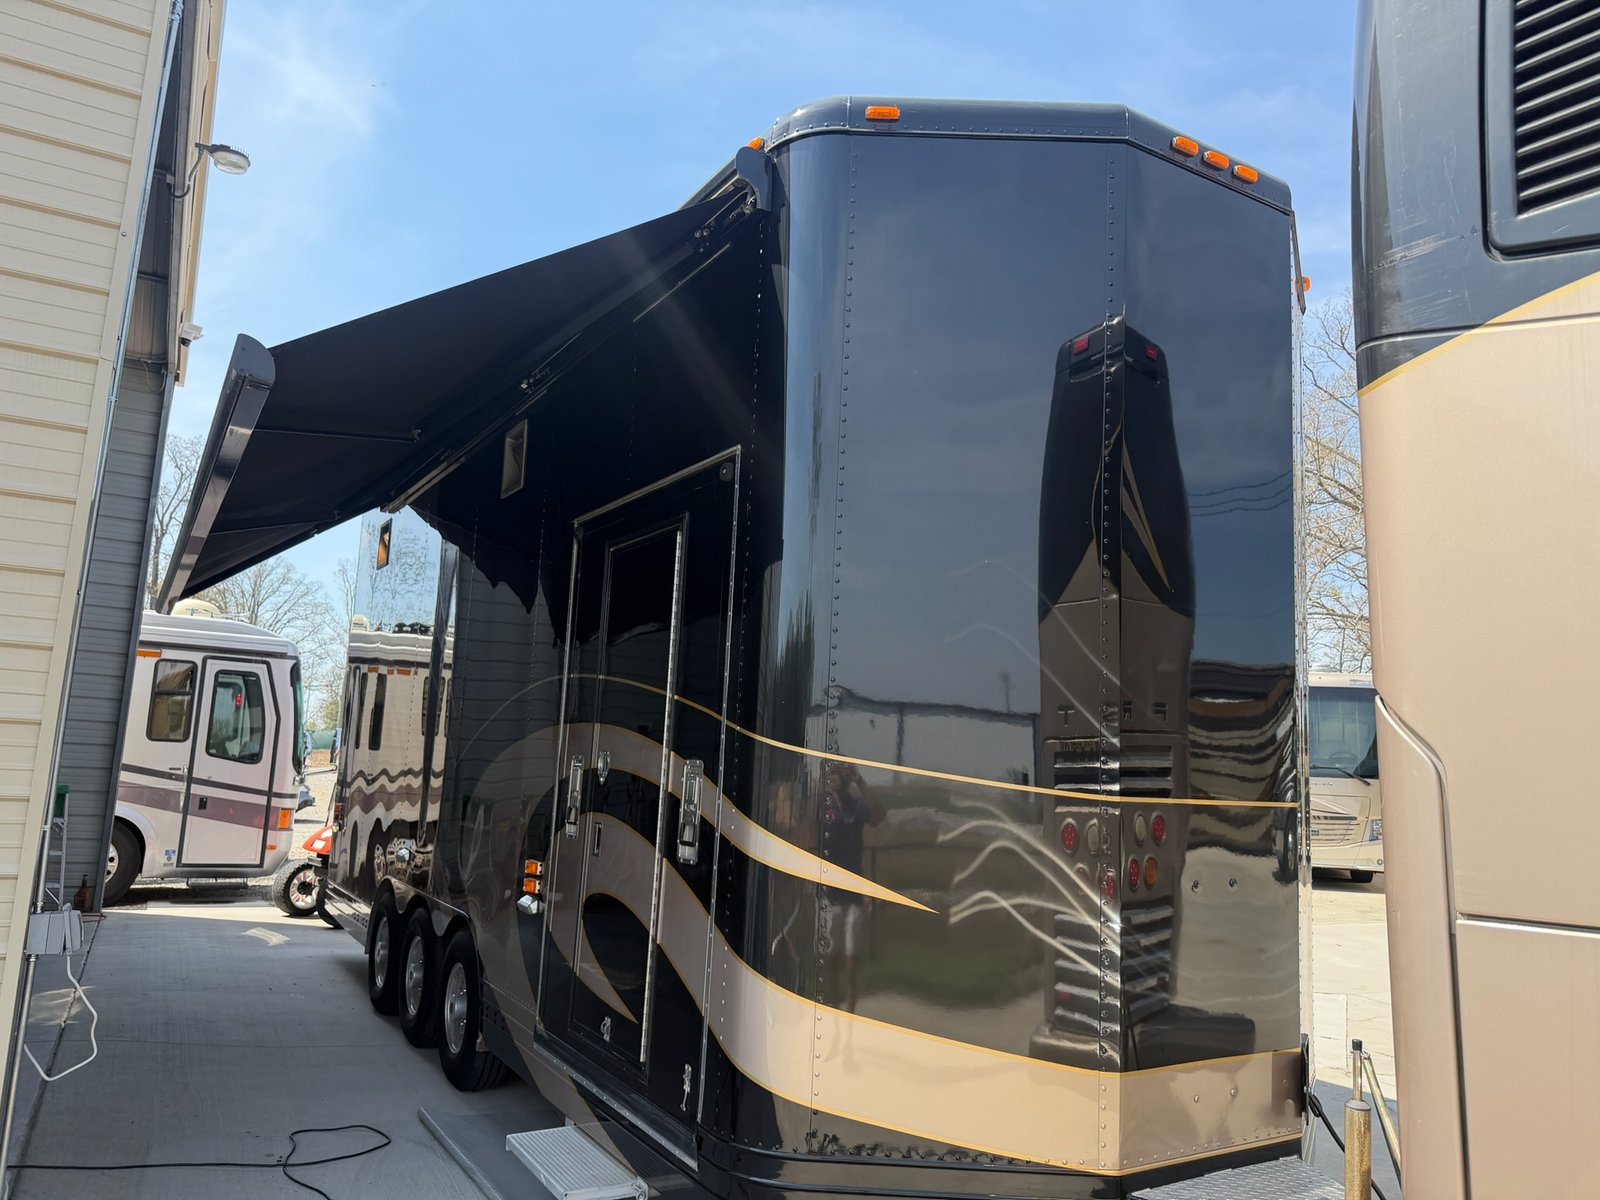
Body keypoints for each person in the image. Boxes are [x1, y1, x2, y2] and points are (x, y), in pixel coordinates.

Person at [818, 760, 885, 1012]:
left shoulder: (857, 806)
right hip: (828, 894)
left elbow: (878, 815)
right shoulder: (823, 806)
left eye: (841, 772)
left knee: (851, 958)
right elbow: (805, 829)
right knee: (830, 956)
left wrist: (859, 780)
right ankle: (834, 1005)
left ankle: (851, 1009)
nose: (837, 777)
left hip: (853, 894)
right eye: (833, 772)